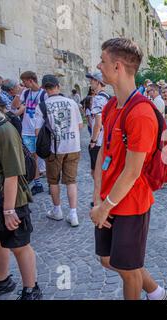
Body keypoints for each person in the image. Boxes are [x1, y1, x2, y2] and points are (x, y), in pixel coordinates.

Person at [91, 38, 167, 300]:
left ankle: (153, 293)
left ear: (117, 67)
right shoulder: (109, 106)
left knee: (128, 270)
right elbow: (103, 152)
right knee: (107, 259)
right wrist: (97, 198)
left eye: (102, 61)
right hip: (107, 199)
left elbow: (132, 171)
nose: (98, 65)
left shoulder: (140, 113)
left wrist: (105, 206)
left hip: (131, 203)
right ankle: (157, 292)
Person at [0, 100, 42, 300]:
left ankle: (31, 289)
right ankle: (2, 281)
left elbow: (12, 173)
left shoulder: (4, 130)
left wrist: (9, 210)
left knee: (19, 245)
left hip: (11, 200)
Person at [35, 75, 83, 227]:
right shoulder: (71, 103)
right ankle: (73, 213)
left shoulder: (42, 106)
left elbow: (38, 132)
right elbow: (80, 125)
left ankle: (57, 211)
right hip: (73, 146)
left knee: (53, 181)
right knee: (71, 181)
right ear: (58, 86)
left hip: (54, 149)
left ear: (44, 88)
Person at [19, 71, 47, 195]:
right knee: (32, 158)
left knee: (47, 157)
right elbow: (15, 106)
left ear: (30, 80)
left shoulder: (43, 94)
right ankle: (37, 184)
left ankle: (52, 184)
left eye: (24, 81)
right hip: (26, 131)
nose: (23, 84)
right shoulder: (25, 93)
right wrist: (18, 94)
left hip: (40, 130)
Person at [86, 72, 110, 181]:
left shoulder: (98, 99)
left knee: (96, 173)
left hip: (99, 141)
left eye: (91, 80)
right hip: (107, 139)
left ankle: (100, 195)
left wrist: (93, 141)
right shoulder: (108, 97)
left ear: (97, 81)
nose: (90, 83)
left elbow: (98, 123)